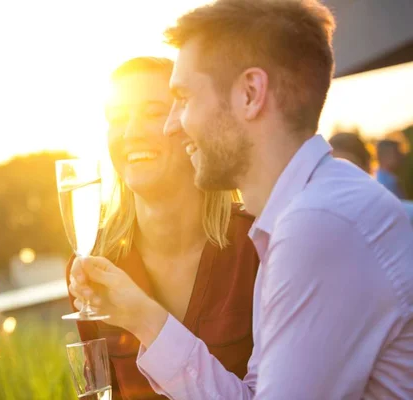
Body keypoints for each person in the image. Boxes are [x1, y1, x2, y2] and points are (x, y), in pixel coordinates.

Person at [70, 1, 413, 399]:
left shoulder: (320, 225)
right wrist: (145, 317)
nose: (172, 124)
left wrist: (146, 320)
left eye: (183, 99)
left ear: (250, 94)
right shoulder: (300, 217)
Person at [66, 56, 259, 399]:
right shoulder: (92, 268)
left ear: (194, 125)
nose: (131, 132)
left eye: (154, 112)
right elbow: (99, 389)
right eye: (117, 118)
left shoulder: (258, 245)